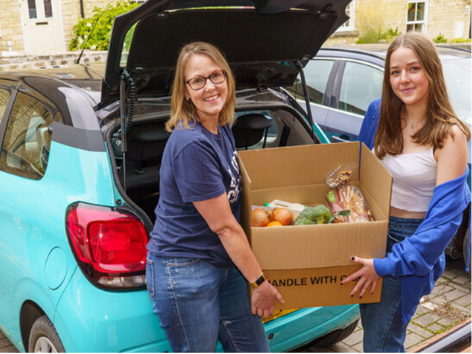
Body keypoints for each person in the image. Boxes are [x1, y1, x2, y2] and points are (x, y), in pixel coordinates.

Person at [145, 42, 283, 353]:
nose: (210, 87)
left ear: (227, 78)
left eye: (216, 75)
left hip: (223, 263)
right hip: (183, 269)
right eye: (198, 80)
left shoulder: (220, 125)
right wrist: (260, 284)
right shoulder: (191, 143)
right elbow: (224, 227)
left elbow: (232, 197)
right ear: (185, 91)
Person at [340, 32, 471, 352]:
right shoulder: (378, 113)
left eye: (413, 69)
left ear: (431, 71)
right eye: (395, 72)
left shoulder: (449, 135)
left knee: (381, 342)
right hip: (371, 233)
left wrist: (384, 265)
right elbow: (361, 173)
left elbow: (443, 224)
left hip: (410, 246)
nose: (404, 79)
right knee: (373, 327)